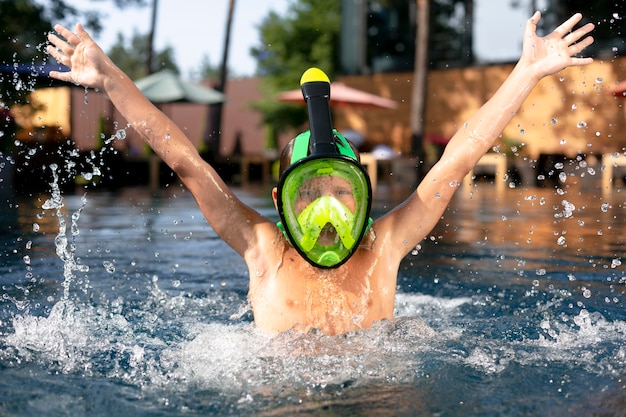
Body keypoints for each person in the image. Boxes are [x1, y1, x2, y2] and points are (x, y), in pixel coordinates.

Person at [46, 12, 594, 336]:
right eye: (312, 191)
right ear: (282, 201)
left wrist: (528, 72)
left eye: (342, 191)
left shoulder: (384, 248)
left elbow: (456, 163)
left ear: (364, 198)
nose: (329, 208)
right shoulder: (262, 248)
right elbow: (187, 162)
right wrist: (112, 80)